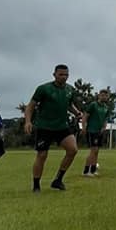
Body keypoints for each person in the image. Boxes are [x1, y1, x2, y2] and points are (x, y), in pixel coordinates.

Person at [24, 64, 83, 192]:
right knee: (42, 155)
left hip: (62, 126)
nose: (64, 77)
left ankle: (58, 180)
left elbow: (69, 104)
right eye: (61, 74)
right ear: (54, 75)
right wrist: (28, 121)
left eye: (66, 75)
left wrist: (77, 113)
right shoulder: (43, 89)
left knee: (73, 150)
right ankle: (36, 185)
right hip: (45, 126)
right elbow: (31, 106)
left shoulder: (70, 89)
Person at [81, 89, 110, 176]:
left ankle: (93, 170)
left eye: (106, 95)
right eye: (102, 95)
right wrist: (83, 127)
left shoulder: (106, 107)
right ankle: (86, 171)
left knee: (97, 151)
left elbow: (105, 119)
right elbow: (85, 116)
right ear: (99, 96)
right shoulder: (93, 105)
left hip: (99, 131)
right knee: (93, 150)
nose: (104, 97)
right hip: (92, 130)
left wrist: (104, 127)